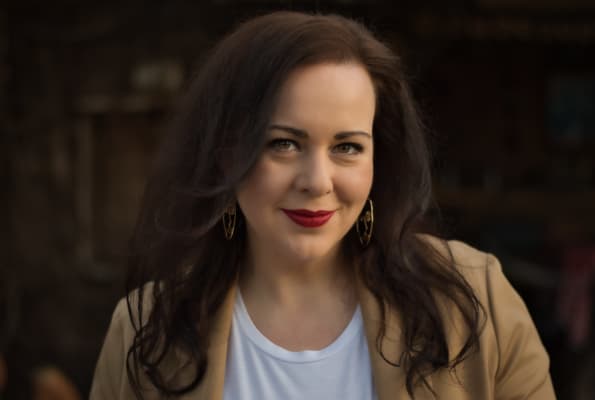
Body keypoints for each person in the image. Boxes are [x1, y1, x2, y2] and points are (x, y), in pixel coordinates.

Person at [90, 11, 555, 400]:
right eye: (284, 144)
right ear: (227, 155)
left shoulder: (475, 302)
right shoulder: (145, 330)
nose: (317, 182)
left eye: (347, 147)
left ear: (378, 159)